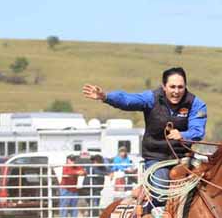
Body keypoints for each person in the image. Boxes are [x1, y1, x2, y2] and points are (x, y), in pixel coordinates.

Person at [82, 67, 207, 204]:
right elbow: (127, 100)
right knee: (160, 194)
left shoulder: (196, 104)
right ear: (164, 86)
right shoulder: (151, 98)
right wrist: (106, 97)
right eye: (172, 87)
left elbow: (198, 131)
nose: (176, 91)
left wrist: (183, 135)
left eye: (180, 87)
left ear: (185, 87)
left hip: (185, 159)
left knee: (206, 189)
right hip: (156, 158)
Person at [59, 154, 87, 218]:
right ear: (67, 160)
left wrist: (81, 172)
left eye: (73, 160)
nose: (73, 161)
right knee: (64, 205)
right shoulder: (65, 166)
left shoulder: (77, 167)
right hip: (66, 188)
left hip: (73, 189)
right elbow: (67, 173)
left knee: (74, 205)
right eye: (71, 160)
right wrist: (77, 172)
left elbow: (84, 172)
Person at [85, 154, 109, 218]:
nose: (96, 162)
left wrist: (109, 173)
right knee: (92, 204)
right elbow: (96, 172)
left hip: (97, 189)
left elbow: (107, 171)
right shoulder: (90, 167)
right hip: (89, 188)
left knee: (95, 204)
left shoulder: (102, 167)